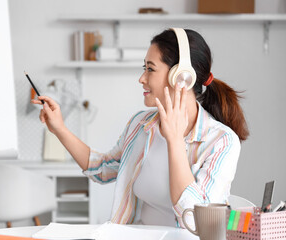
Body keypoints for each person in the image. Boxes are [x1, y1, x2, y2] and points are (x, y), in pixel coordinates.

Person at [32, 28, 249, 228]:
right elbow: (102, 170)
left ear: (181, 77)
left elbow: (194, 221)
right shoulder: (141, 125)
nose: (141, 78)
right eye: (144, 68)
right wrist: (59, 128)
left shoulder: (221, 141)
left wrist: (174, 141)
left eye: (150, 69)